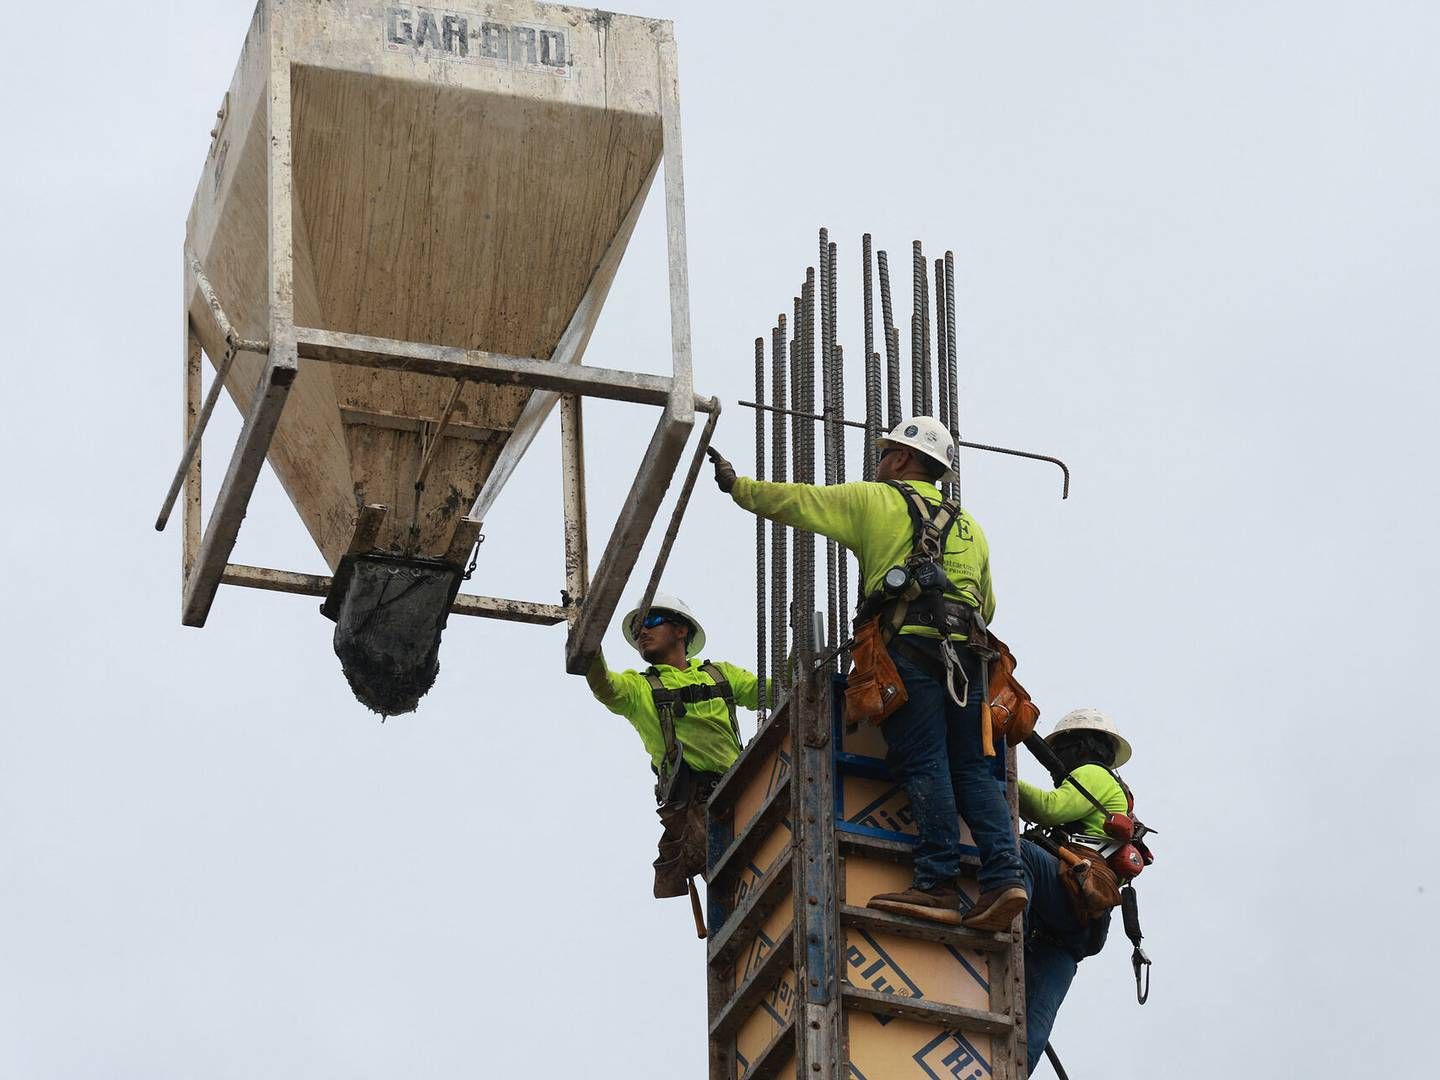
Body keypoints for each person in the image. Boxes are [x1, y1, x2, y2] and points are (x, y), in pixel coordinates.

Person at [708, 418, 1027, 931]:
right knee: (969, 766)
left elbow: (798, 501)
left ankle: (937, 883)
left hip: (911, 649)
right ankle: (1005, 877)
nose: (878, 462)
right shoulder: (970, 526)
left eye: (885, 454)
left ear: (902, 460)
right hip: (971, 656)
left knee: (924, 760)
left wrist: (736, 486)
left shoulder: (875, 499)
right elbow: (987, 603)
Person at [585, 592, 763, 899]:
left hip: (743, 791)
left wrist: (801, 645)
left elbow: (776, 692)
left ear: (681, 630)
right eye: (637, 627)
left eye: (651, 621)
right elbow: (606, 687)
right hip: (698, 808)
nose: (642, 631)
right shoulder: (640, 688)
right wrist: (587, 637)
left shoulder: (719, 675)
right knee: (741, 890)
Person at [1018, 708, 1136, 1073]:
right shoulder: (1110, 791)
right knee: (1029, 1030)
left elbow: (1048, 808)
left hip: (1070, 898)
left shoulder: (1093, 775)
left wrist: (998, 780)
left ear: (1082, 746)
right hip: (1076, 930)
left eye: (1065, 748)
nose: (1062, 760)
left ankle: (1003, 930)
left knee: (1017, 852)